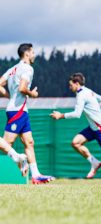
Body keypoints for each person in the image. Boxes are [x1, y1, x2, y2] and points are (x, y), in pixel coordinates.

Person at [0, 43, 53, 184]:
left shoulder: (13, 69)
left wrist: (9, 96)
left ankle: (35, 175)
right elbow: (23, 88)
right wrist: (32, 94)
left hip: (21, 110)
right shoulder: (27, 68)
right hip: (17, 111)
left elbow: (0, 83)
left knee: (29, 142)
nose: (34, 55)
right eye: (33, 52)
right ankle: (20, 161)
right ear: (27, 53)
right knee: (5, 143)